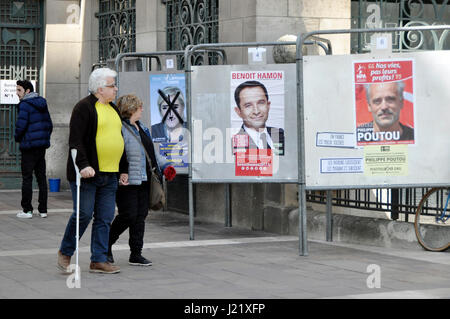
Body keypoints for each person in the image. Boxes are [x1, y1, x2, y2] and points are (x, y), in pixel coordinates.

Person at [57, 68, 127, 274]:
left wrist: (123, 169)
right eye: (112, 85)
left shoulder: (113, 109)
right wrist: (84, 165)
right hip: (88, 174)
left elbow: (118, 140)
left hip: (110, 174)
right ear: (99, 88)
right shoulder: (84, 108)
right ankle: (65, 251)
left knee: (105, 218)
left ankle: (98, 259)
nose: (115, 89)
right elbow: (76, 141)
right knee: (83, 215)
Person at [108, 94, 176, 266]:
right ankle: (105, 246)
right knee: (127, 215)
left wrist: (166, 166)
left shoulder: (142, 127)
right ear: (131, 109)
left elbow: (152, 153)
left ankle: (136, 253)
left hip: (145, 179)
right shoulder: (119, 128)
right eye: (139, 107)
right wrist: (119, 174)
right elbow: (115, 153)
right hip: (127, 180)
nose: (142, 109)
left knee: (140, 217)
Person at [14, 80, 53, 219]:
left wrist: (17, 137)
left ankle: (27, 210)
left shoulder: (25, 104)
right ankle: (43, 210)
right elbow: (49, 124)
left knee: (27, 178)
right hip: (41, 147)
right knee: (41, 177)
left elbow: (21, 126)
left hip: (29, 147)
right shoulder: (42, 102)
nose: (17, 93)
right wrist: (43, 139)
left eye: (19, 90)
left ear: (27, 91)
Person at [232, 80, 284, 155]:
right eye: (248, 105)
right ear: (238, 111)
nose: (256, 111)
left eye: (261, 103)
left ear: (268, 105)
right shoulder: (233, 145)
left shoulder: (281, 134)